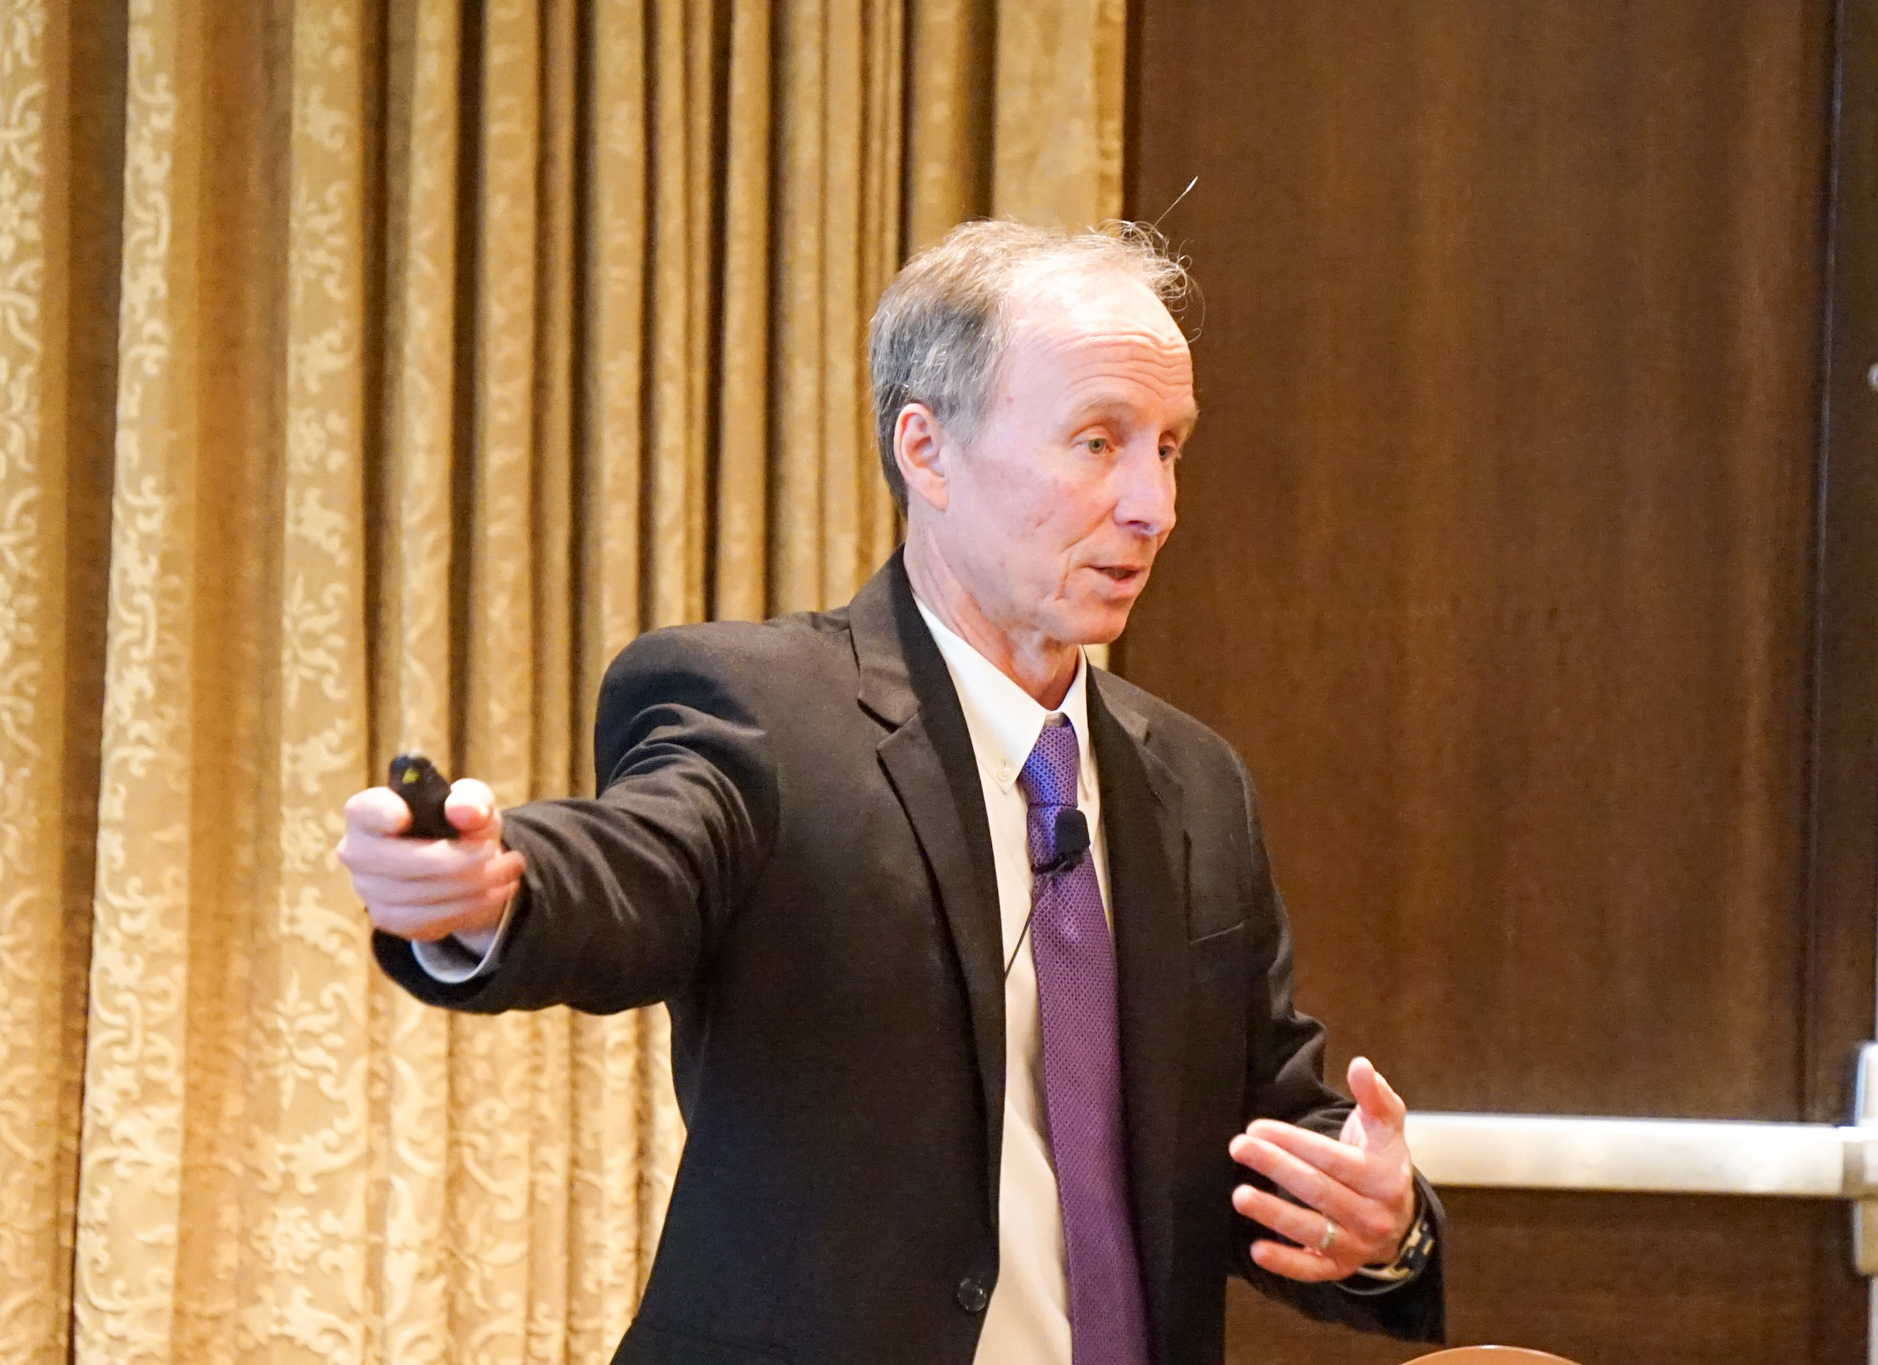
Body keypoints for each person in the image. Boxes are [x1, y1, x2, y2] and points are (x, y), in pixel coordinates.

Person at [338, 220, 1445, 1365]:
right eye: (1095, 441)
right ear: (927, 451)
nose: (1151, 505)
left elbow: (1268, 1132)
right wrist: (492, 894)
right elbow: (639, 861)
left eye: (1166, 448)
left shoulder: (1195, 784)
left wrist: (1383, 1227)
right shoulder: (763, 713)